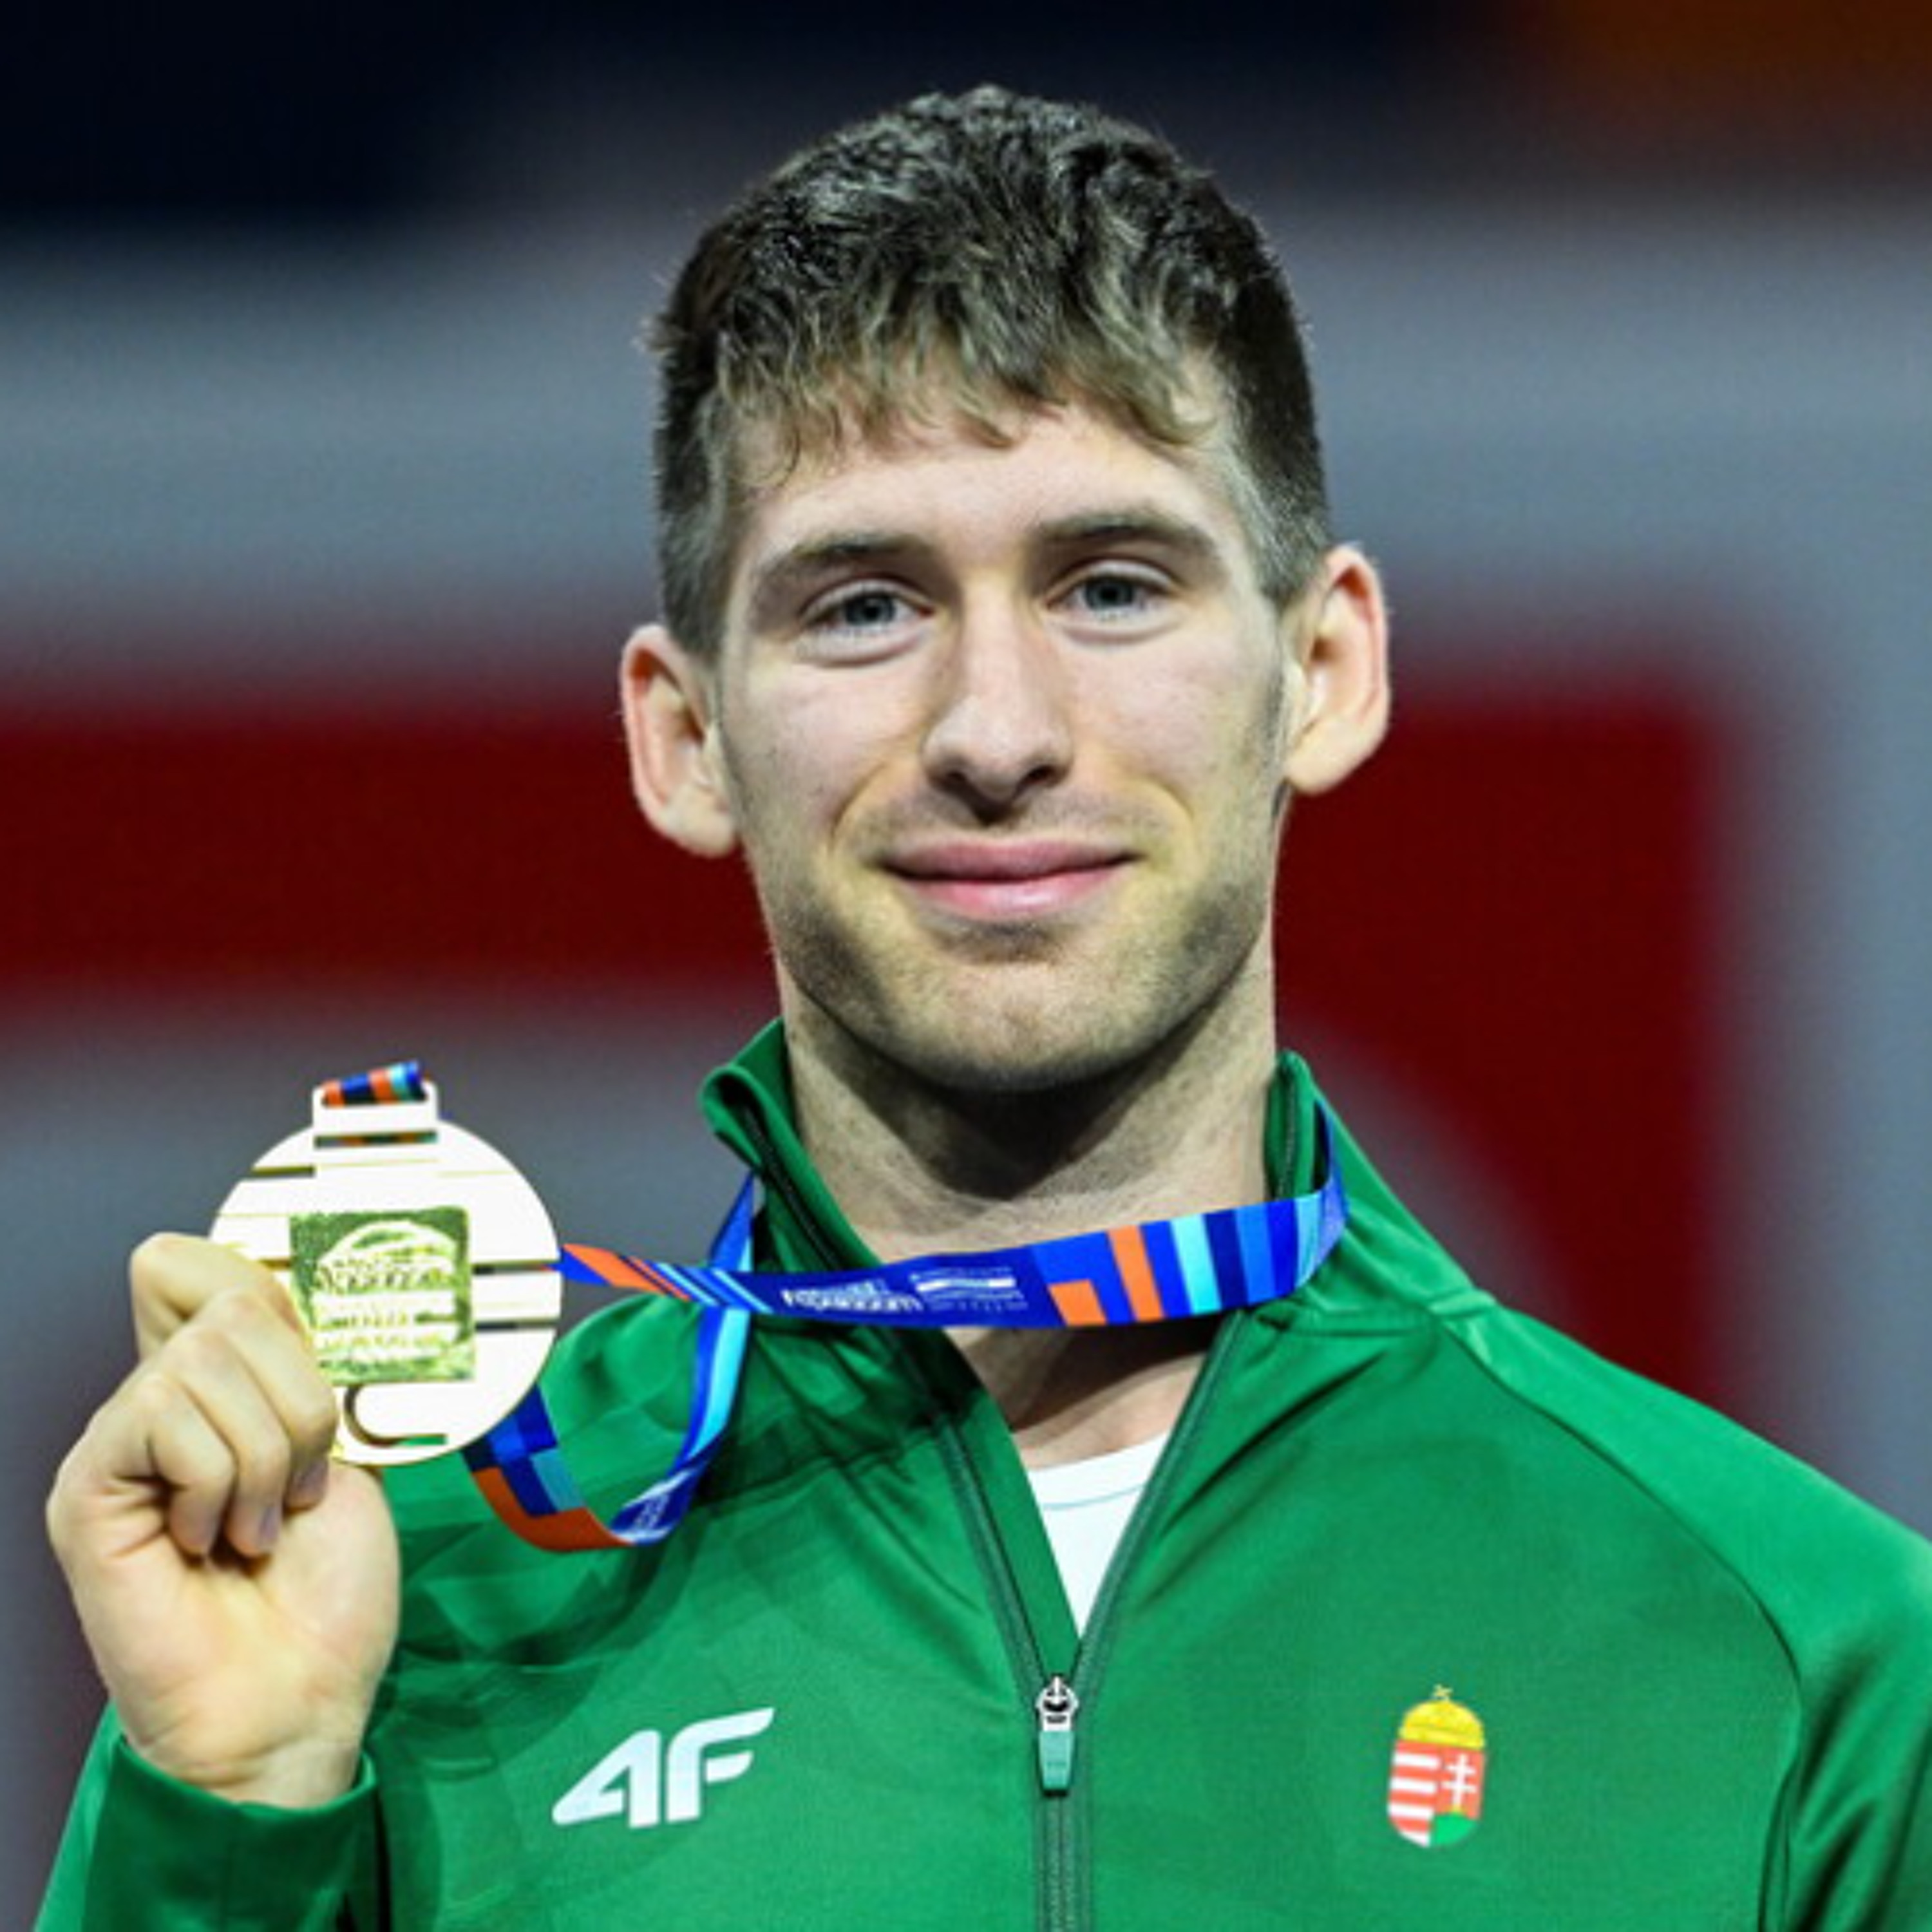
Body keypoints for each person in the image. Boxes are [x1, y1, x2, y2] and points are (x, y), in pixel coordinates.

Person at [39, 87, 1932, 1930]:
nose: (998, 734)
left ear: (1327, 668)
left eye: (1111, 587)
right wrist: (228, 1823)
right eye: (864, 607)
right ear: (684, 738)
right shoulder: (409, 1608)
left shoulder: (1797, 1651)